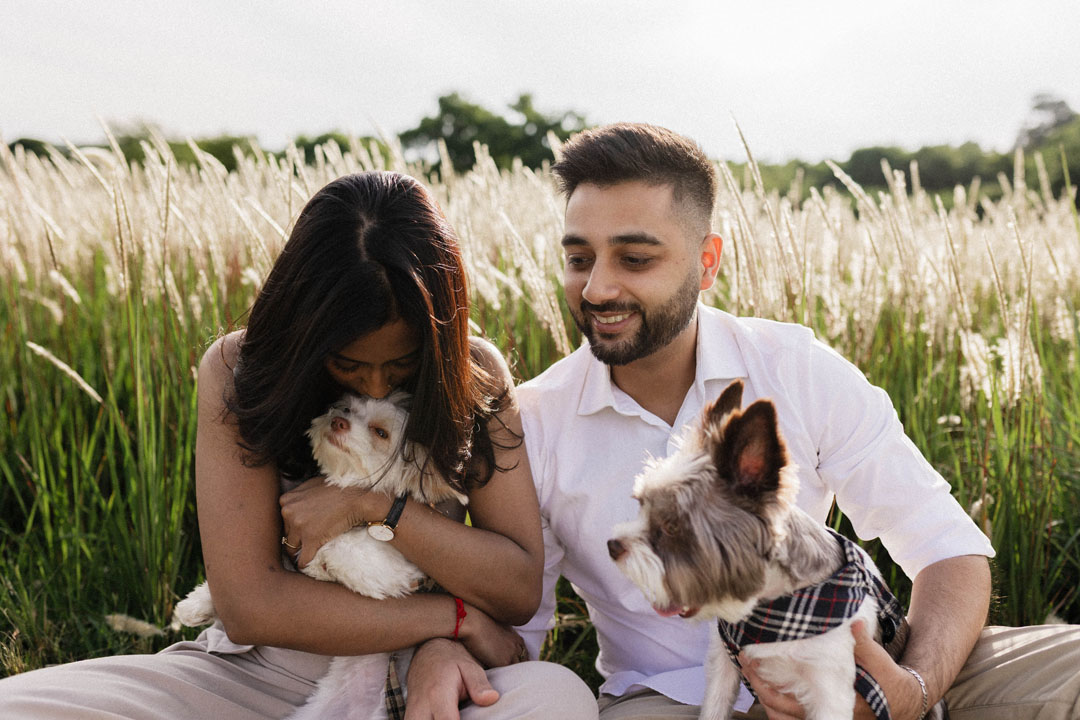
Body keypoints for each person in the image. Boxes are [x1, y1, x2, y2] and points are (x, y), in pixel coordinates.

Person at [406, 123, 1080, 720]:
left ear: (706, 263)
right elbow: (518, 620)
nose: (597, 288)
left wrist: (910, 687)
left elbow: (947, 549)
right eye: (579, 258)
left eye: (634, 259)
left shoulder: (798, 367)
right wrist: (440, 645)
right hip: (672, 700)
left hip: (863, 663)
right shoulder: (532, 422)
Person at [0, 171, 595, 719]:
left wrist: (376, 508)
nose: (379, 384)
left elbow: (517, 586)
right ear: (308, 332)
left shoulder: (474, 372)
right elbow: (251, 606)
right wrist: (454, 617)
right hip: (255, 676)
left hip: (429, 677)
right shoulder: (237, 369)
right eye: (348, 363)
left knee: (557, 699)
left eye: (404, 363)